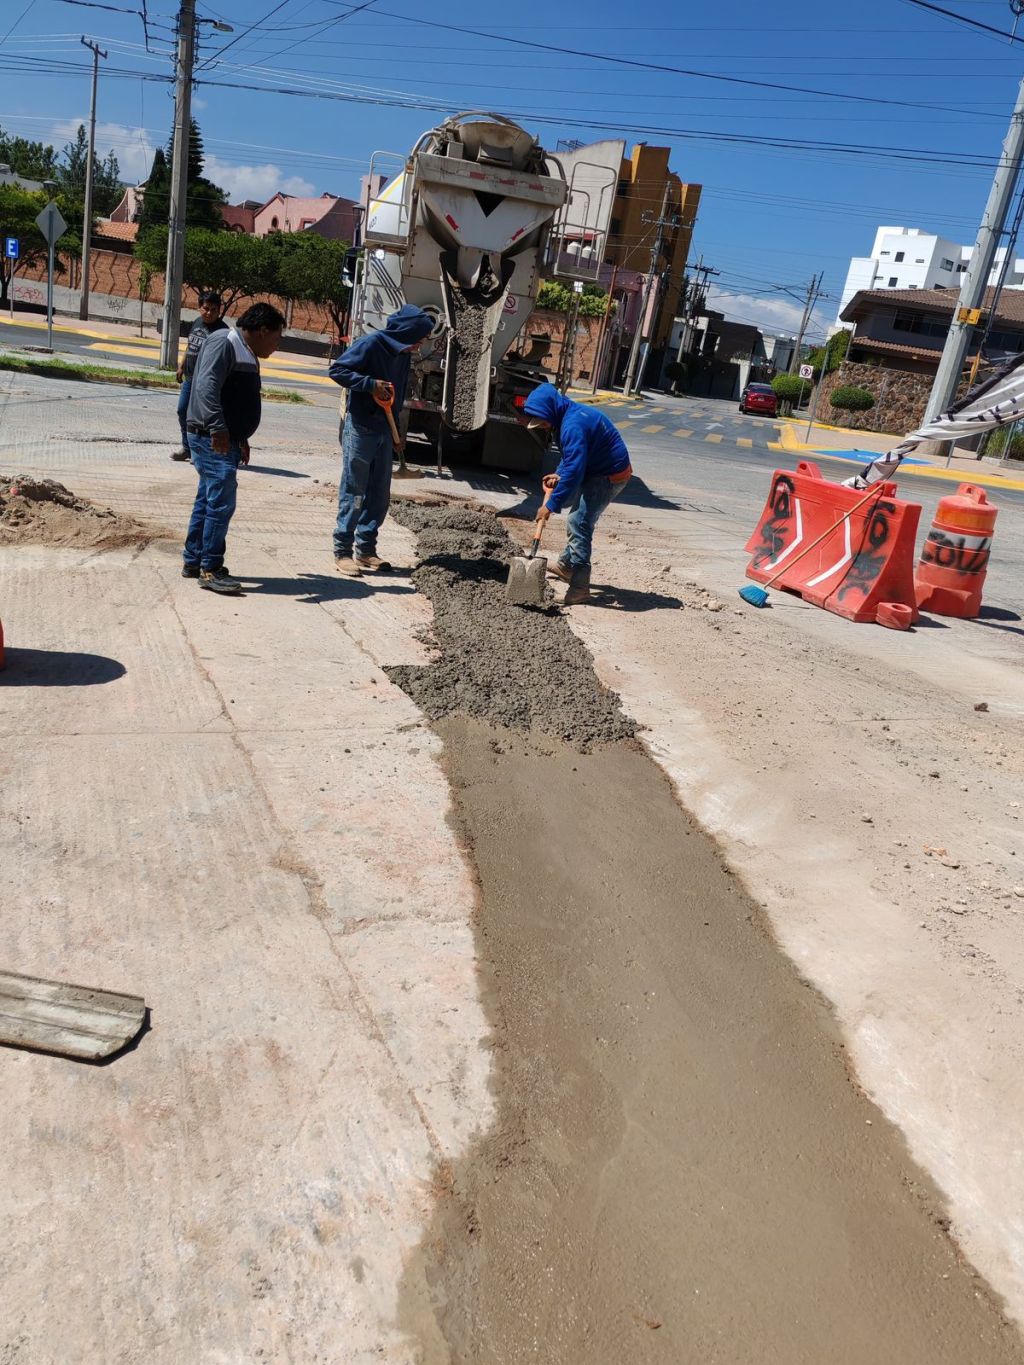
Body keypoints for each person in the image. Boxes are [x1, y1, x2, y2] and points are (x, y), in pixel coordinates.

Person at [181, 302, 286, 595]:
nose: (277, 346)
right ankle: (210, 568)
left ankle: (194, 560)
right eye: (277, 338)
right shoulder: (224, 341)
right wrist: (218, 428)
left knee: (208, 499)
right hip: (212, 436)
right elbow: (206, 388)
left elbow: (236, 398)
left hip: (227, 437)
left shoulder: (245, 349)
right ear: (263, 330)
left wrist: (241, 437)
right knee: (221, 503)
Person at [327, 303, 435, 576]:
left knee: (379, 493)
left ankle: (366, 549)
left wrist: (396, 431)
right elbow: (338, 370)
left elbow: (394, 395)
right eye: (419, 338)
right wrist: (369, 384)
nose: (420, 344)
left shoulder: (403, 352)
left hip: (384, 429)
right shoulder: (372, 344)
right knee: (354, 490)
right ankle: (342, 551)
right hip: (362, 426)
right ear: (407, 333)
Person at [521, 382, 632, 605]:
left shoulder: (572, 424)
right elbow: (572, 458)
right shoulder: (567, 416)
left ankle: (580, 588)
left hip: (609, 476)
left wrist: (550, 505)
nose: (542, 426)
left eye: (543, 421)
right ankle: (566, 566)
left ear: (551, 410)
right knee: (578, 518)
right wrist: (558, 473)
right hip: (599, 470)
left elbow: (575, 469)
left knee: (579, 522)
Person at [171, 291, 227, 462]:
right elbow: (190, 347)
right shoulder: (196, 323)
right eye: (206, 308)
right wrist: (181, 366)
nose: (209, 313)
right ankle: (187, 448)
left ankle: (202, 452)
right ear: (199, 308)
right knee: (182, 411)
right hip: (190, 378)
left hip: (206, 383)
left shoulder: (222, 331)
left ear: (219, 311)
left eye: (213, 310)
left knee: (202, 419)